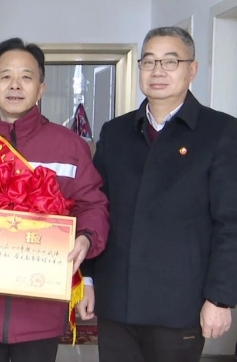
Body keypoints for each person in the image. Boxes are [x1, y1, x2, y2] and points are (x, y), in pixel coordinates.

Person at [81, 26, 237, 362]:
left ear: (192, 69)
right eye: (149, 61)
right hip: (117, 301)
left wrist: (221, 298)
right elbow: (96, 208)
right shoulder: (116, 132)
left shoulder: (221, 132)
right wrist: (88, 280)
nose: (157, 71)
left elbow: (231, 222)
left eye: (170, 62)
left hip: (180, 304)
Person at [0, 38, 109, 362]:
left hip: (41, 308)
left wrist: (86, 238)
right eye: (5, 76)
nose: (15, 85)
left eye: (26, 76)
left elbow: (92, 205)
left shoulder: (69, 146)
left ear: (41, 89)